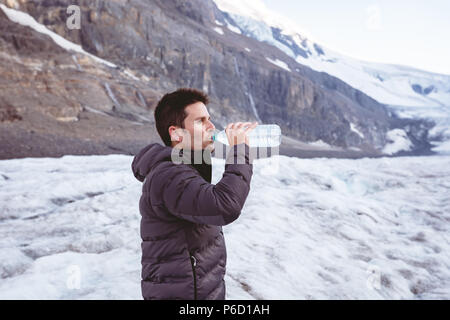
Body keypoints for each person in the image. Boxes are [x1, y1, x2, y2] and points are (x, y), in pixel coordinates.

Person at [131, 88, 258, 300]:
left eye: (210, 119)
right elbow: (225, 206)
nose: (212, 127)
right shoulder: (169, 176)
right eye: (201, 121)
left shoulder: (184, 171)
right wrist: (240, 149)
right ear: (175, 133)